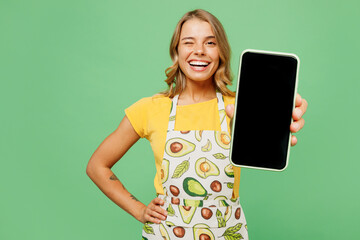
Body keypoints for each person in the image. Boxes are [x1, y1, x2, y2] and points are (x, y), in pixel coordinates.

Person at [86, 9, 308, 240]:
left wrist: (283, 122)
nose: (199, 50)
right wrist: (139, 210)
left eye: (210, 42)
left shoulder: (239, 107)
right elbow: (97, 166)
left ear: (221, 51)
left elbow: (268, 145)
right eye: (188, 42)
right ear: (177, 51)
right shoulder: (150, 109)